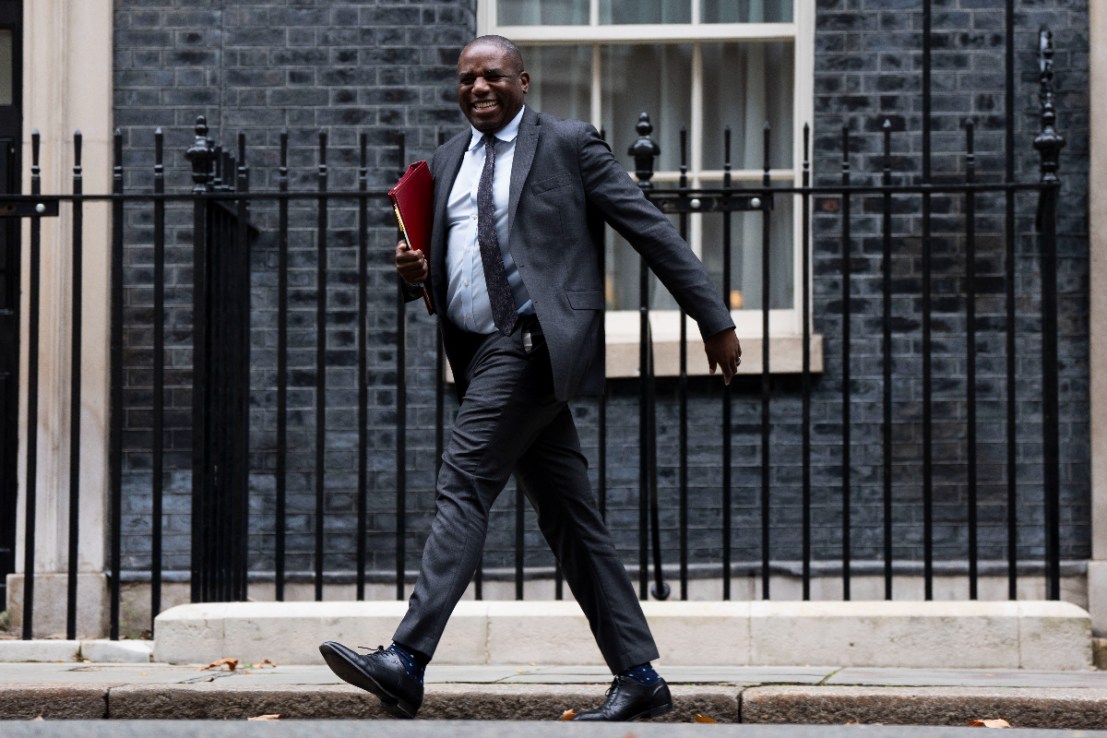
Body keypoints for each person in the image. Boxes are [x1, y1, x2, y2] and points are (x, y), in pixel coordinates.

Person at [320, 34, 742, 721]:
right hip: (481, 350)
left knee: (464, 481)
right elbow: (444, 254)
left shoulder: (567, 144)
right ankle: (639, 677)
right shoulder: (448, 159)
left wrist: (711, 318)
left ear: (522, 80)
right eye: (465, 80)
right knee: (570, 517)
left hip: (536, 342)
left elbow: (649, 230)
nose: (477, 88)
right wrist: (411, 274)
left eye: (491, 76)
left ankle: (407, 658)